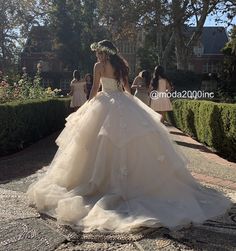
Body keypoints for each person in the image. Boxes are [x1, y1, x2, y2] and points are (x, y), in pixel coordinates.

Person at [27, 40, 232, 233]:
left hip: (104, 102)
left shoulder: (99, 66)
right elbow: (126, 89)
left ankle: (100, 181)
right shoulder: (121, 66)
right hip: (122, 102)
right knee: (131, 143)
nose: (97, 55)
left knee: (98, 143)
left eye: (99, 52)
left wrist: (88, 107)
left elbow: (95, 90)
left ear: (103, 52)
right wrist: (131, 105)